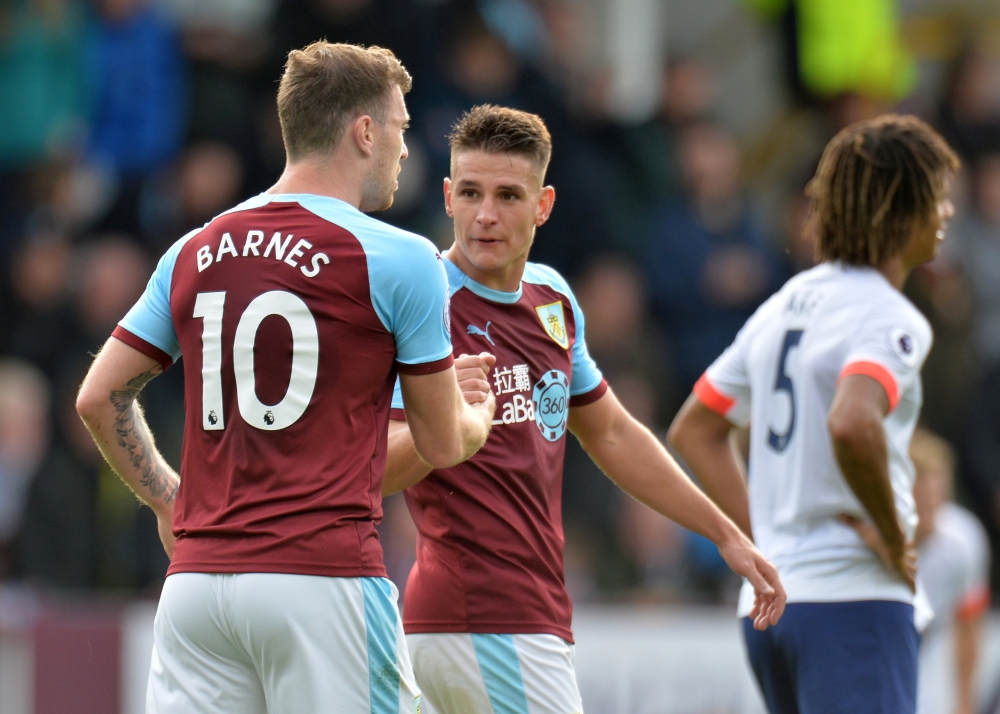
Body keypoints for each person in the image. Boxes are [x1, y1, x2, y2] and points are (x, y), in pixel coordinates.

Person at [76, 42, 496, 714]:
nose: (405, 150)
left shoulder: (193, 249)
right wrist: (475, 413)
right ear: (365, 132)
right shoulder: (399, 257)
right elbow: (442, 444)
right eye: (401, 127)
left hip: (197, 591)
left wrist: (167, 502)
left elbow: (100, 397)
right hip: (320, 583)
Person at [384, 104, 785, 714]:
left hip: (512, 621)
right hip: (485, 620)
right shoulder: (424, 304)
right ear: (446, 196)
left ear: (543, 205)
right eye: (470, 192)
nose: (485, 214)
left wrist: (724, 533)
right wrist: (439, 419)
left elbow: (613, 433)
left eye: (507, 196)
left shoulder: (553, 299)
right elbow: (371, 469)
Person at [668, 114, 961, 714]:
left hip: (772, 608)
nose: (948, 211)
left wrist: (764, 541)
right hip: (852, 601)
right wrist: (892, 534)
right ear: (902, 211)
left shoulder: (782, 306)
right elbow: (852, 420)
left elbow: (695, 430)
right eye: (937, 195)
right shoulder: (889, 315)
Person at [911, 428, 990, 714]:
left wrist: (966, 701)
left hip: (928, 681)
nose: (931, 496)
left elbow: (968, 624)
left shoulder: (964, 541)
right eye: (920, 485)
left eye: (937, 484)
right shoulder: (869, 542)